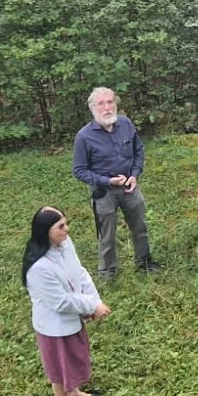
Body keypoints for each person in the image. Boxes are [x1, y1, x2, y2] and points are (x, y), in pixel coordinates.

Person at [23, 207, 108, 396]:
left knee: (73, 357)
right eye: (60, 226)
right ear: (45, 232)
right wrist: (90, 305)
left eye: (65, 223)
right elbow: (60, 302)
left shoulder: (64, 244)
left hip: (72, 317)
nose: (66, 229)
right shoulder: (39, 268)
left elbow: (79, 271)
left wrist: (94, 300)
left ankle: (74, 392)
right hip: (54, 326)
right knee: (59, 367)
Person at [72, 87, 158, 279]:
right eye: (101, 104)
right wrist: (107, 181)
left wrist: (135, 175)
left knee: (140, 226)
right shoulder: (84, 137)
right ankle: (107, 272)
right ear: (92, 108)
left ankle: (144, 262)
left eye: (110, 102)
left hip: (130, 187)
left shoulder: (126, 124)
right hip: (104, 193)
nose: (107, 107)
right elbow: (79, 170)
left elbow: (139, 150)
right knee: (107, 234)